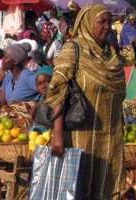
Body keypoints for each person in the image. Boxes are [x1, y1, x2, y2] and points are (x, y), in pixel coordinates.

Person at [45, 4, 126, 199]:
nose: (107, 26)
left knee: (105, 187)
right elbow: (58, 91)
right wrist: (57, 135)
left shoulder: (111, 53)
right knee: (80, 188)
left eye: (110, 21)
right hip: (81, 135)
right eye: (101, 21)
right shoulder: (73, 49)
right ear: (88, 23)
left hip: (110, 134)